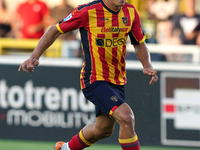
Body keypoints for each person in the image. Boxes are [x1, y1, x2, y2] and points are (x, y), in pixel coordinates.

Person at [18, 0, 158, 150]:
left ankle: (65, 148)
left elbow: (139, 43)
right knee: (126, 117)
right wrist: (34, 56)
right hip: (94, 79)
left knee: (103, 130)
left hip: (117, 81)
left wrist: (147, 66)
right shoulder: (87, 11)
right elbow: (55, 29)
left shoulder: (130, 12)